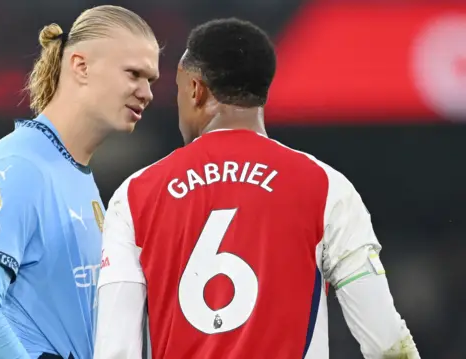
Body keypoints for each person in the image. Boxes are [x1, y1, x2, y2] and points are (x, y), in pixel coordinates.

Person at [93, 18, 420, 359]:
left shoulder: (135, 195)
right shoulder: (326, 188)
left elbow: (116, 349)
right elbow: (385, 340)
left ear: (195, 89)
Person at [0, 5, 159, 359]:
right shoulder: (19, 166)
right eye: (134, 74)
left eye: (150, 80)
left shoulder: (72, 172)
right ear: (81, 65)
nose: (147, 93)